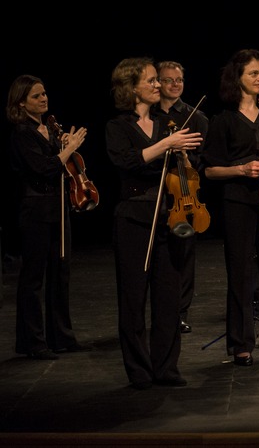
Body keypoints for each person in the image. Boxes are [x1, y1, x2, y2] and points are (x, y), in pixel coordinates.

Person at [106, 57, 203, 389]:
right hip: (133, 218)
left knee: (168, 297)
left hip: (168, 216)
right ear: (132, 87)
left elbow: (181, 167)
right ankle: (139, 370)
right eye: (151, 81)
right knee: (133, 298)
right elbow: (128, 162)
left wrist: (183, 155)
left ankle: (166, 367)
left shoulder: (167, 122)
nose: (158, 86)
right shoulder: (118, 127)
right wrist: (165, 146)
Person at [202, 49, 259, 366]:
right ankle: (241, 344)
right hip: (238, 202)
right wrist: (241, 170)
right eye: (253, 73)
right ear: (237, 78)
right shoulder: (223, 120)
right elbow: (210, 170)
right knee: (240, 273)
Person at [6, 75, 91, 360]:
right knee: (34, 277)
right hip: (35, 209)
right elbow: (42, 168)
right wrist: (67, 149)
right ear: (21, 103)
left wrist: (64, 145)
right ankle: (33, 342)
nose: (43, 99)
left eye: (44, 94)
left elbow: (65, 167)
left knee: (61, 273)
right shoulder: (22, 133)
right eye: (36, 96)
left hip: (59, 207)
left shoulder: (50, 130)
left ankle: (62, 337)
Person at [156, 61, 209, 334]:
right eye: (168, 80)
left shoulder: (196, 118)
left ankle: (180, 312)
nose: (175, 85)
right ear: (157, 83)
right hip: (154, 198)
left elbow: (202, 161)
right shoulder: (149, 115)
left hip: (183, 198)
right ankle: (160, 311)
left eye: (179, 80)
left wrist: (186, 159)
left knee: (184, 256)